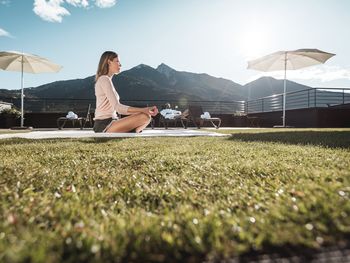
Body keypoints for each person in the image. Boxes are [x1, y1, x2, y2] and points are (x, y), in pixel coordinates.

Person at [93, 51, 158, 133]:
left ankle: (131, 132)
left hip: (113, 121)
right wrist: (144, 109)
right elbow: (118, 108)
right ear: (109, 62)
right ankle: (132, 132)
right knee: (144, 116)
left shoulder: (107, 80)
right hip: (104, 124)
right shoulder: (104, 79)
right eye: (117, 61)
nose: (120, 65)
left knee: (146, 117)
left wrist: (144, 111)